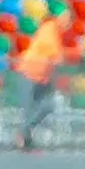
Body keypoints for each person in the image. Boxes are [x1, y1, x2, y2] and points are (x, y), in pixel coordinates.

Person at [15, 16, 66, 150]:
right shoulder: (50, 29)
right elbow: (55, 56)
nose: (68, 23)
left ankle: (25, 135)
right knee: (32, 108)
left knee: (45, 105)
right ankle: (24, 138)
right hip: (29, 73)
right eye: (66, 18)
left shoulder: (56, 32)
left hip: (40, 77)